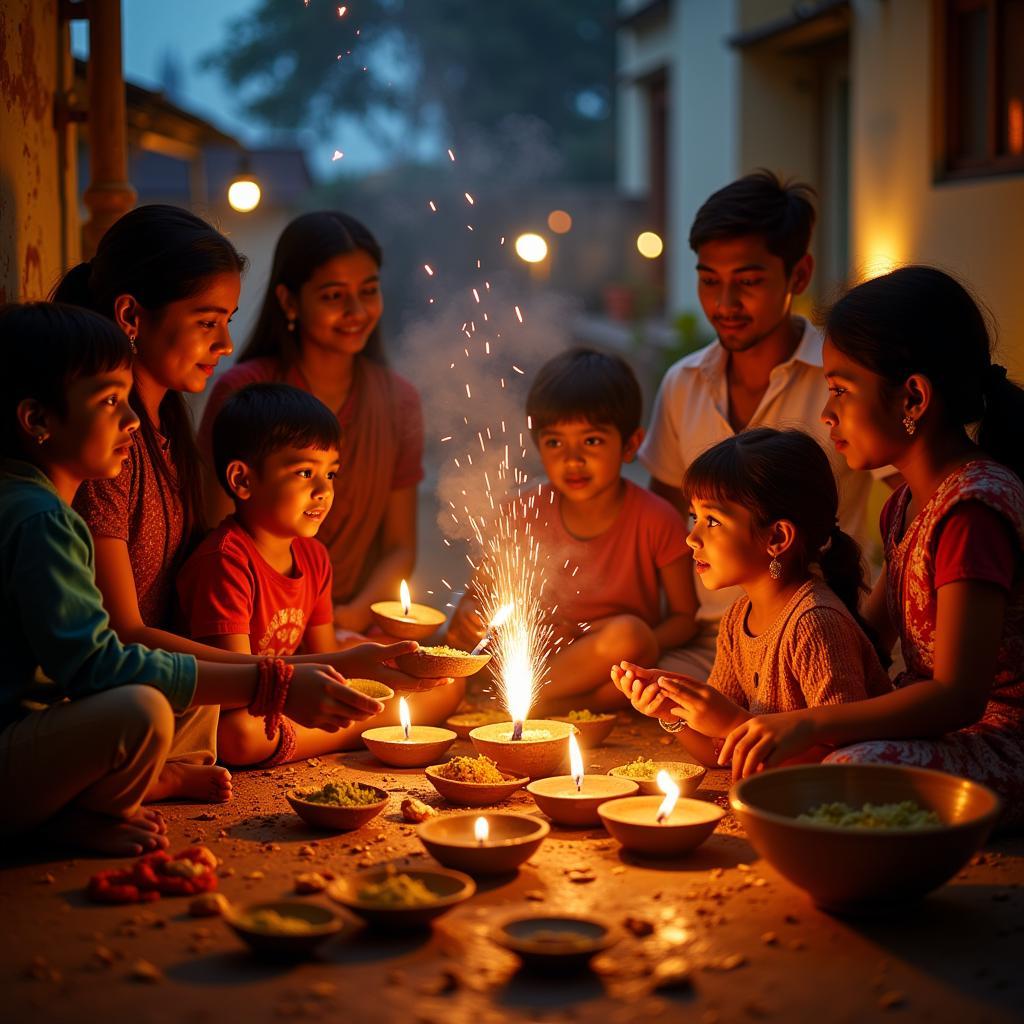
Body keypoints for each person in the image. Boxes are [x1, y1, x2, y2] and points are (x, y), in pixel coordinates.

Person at [54, 206, 435, 772]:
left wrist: (320, 655)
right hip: (157, 682)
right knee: (253, 727)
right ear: (131, 315)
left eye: (229, 320)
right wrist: (277, 679)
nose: (226, 342)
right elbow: (127, 630)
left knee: (420, 679)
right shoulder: (108, 447)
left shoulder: (168, 425)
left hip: (227, 659)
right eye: (208, 322)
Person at [0, 304, 383, 856]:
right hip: (14, 743)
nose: (131, 420)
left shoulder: (38, 504)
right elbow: (93, 668)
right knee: (143, 710)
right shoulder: (38, 518)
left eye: (128, 400)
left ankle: (133, 786)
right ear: (37, 419)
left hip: (43, 727)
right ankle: (55, 825)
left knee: (192, 705)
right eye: (110, 401)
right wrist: (271, 684)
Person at [719, 268, 1024, 828]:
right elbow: (865, 639)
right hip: (941, 731)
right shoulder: (904, 504)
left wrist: (809, 725)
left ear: (912, 396)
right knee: (800, 754)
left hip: (1000, 740)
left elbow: (959, 696)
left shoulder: (973, 509)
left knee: (841, 767)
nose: (825, 413)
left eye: (840, 389)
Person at [639, 171, 894, 682]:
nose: (724, 304)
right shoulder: (683, 382)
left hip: (814, 637)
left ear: (798, 275)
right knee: (626, 685)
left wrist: (870, 636)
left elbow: (914, 510)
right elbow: (662, 519)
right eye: (709, 280)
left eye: (749, 282)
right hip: (708, 638)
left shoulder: (842, 381)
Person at [178, 383, 460, 765]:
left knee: (447, 683)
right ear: (243, 480)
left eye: (331, 475)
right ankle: (362, 731)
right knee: (238, 736)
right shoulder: (225, 561)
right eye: (305, 472)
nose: (323, 491)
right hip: (248, 708)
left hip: (294, 699)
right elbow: (230, 693)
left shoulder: (313, 556)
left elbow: (325, 657)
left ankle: (356, 726)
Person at [197, 212, 423, 640]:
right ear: (289, 301)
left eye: (369, 291)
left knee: (439, 684)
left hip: (357, 619)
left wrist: (350, 618)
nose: (356, 311)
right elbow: (217, 529)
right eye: (334, 296)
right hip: (256, 624)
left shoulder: (399, 401)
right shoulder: (244, 392)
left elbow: (400, 547)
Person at [612, 428, 891, 766]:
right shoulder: (737, 619)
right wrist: (672, 711)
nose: (691, 538)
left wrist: (733, 722)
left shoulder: (815, 624)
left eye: (712, 521)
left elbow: (841, 761)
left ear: (777, 536)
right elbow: (720, 754)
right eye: (693, 517)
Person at [447, 348, 694, 712]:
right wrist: (469, 615)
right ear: (537, 445)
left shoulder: (656, 518)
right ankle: (550, 700)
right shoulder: (522, 511)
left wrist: (641, 646)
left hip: (606, 664)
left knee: (629, 647)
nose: (572, 459)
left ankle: (528, 701)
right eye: (554, 442)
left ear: (631, 444)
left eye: (591, 441)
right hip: (532, 658)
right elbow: (479, 595)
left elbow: (685, 618)